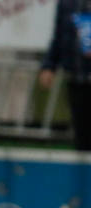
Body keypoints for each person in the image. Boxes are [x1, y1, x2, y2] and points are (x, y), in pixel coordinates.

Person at [40, 0, 91, 151]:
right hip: (77, 79)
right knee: (83, 137)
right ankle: (85, 173)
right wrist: (49, 66)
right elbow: (59, 36)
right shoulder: (68, 4)